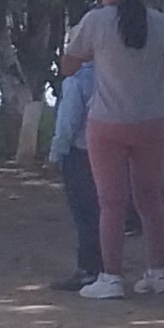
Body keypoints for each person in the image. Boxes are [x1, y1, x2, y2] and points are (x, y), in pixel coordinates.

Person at [55, 0, 164, 298]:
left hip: (107, 123)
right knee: (150, 199)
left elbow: (68, 67)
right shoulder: (159, 22)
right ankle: (158, 271)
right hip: (151, 122)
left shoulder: (95, 22)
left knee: (110, 202)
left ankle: (110, 277)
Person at [49, 54, 104, 291]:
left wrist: (56, 152)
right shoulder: (109, 76)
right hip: (109, 149)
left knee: (84, 212)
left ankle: (88, 268)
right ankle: (106, 265)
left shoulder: (76, 80)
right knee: (104, 209)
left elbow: (68, 122)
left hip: (79, 151)